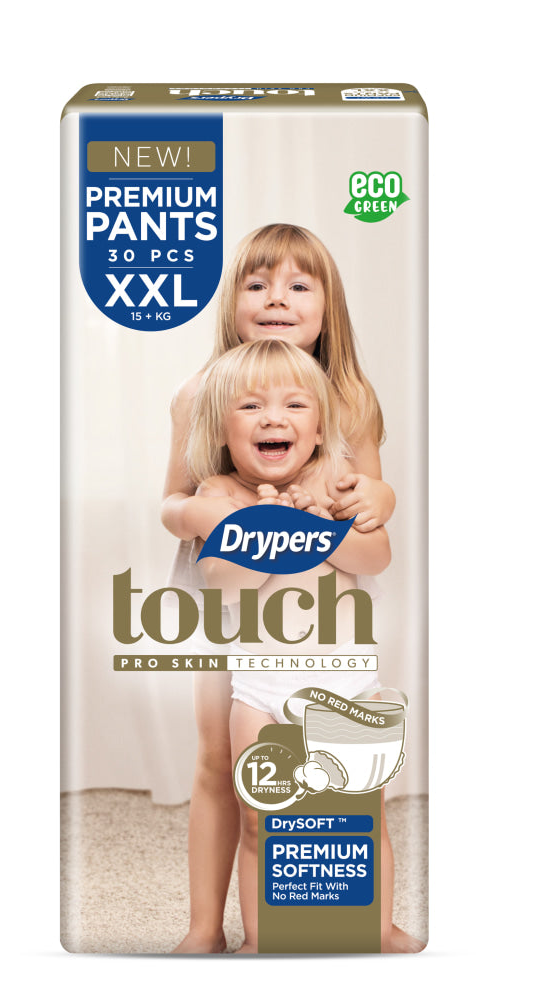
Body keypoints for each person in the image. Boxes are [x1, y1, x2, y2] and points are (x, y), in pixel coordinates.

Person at [161, 224, 398, 954]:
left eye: (298, 286)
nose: (276, 300)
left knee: (350, 778)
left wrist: (377, 500)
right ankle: (206, 927)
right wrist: (204, 516)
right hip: (221, 603)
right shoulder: (202, 392)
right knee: (219, 758)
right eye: (257, 285)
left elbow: (370, 500)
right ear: (231, 302)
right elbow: (174, 500)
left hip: (320, 612)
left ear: (329, 308)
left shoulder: (348, 397)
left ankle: (372, 921)